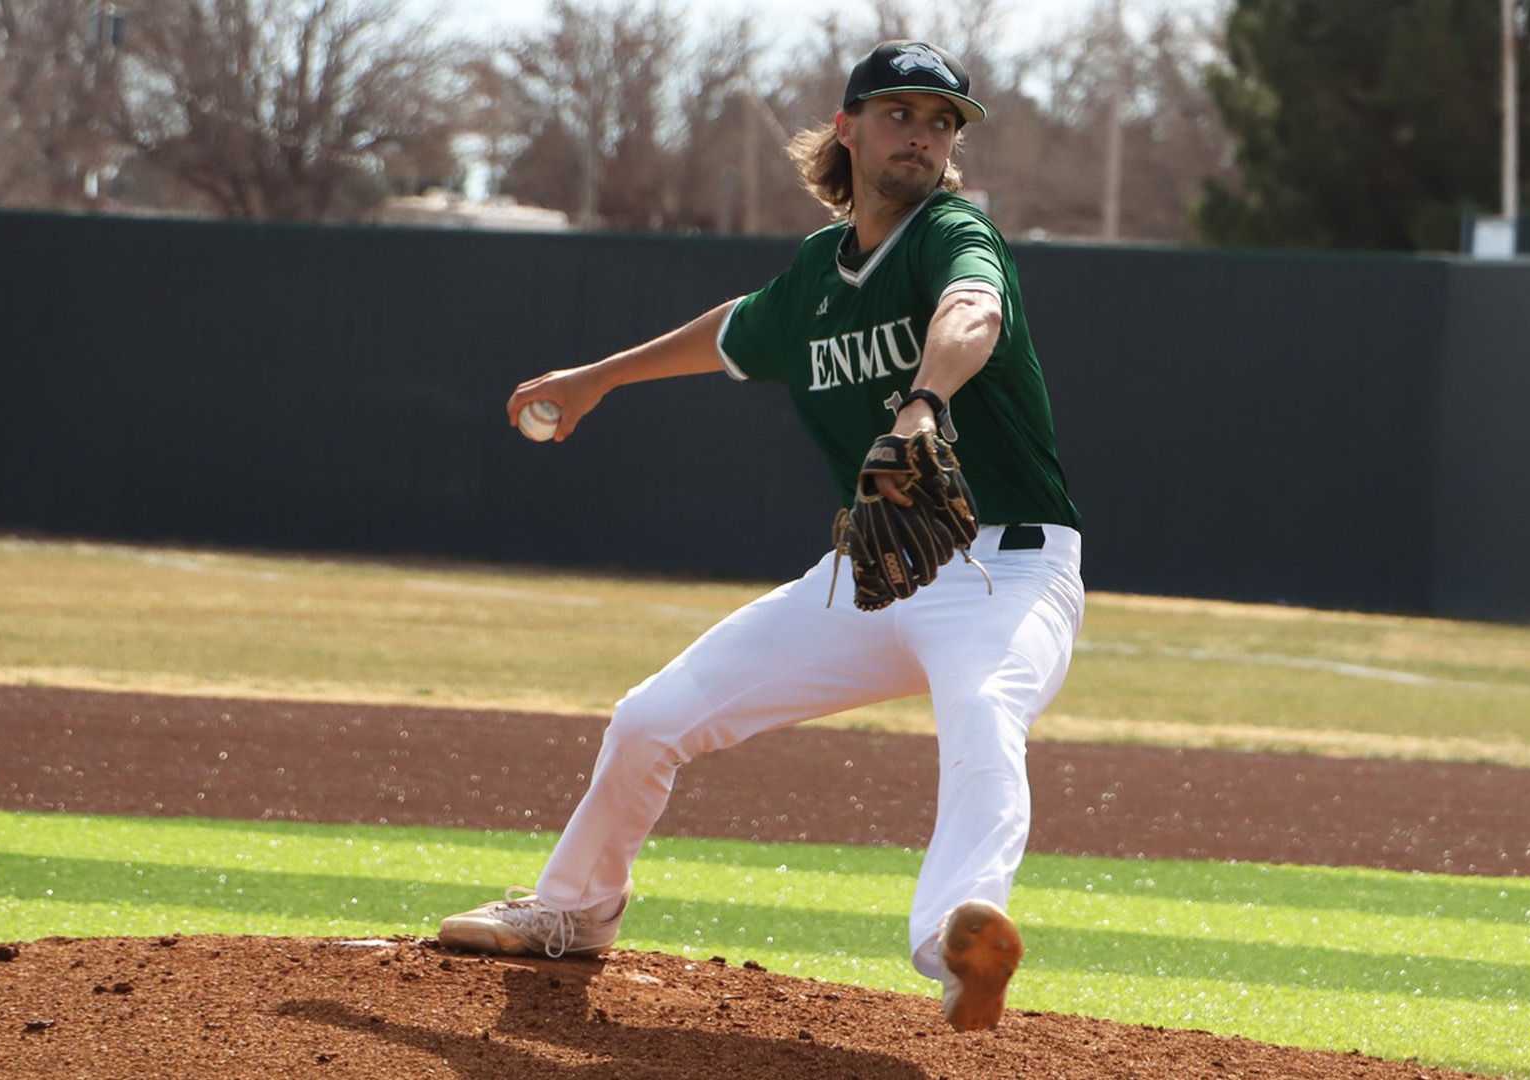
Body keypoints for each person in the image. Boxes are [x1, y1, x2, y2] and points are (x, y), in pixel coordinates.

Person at [437, 39, 1084, 1033]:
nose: (923, 135)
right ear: (848, 127)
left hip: (1006, 570)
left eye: (942, 121)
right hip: (871, 572)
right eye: (901, 113)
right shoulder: (820, 271)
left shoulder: (951, 234)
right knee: (650, 719)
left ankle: (957, 941)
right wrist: (598, 377)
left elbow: (973, 311)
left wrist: (923, 401)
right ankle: (574, 908)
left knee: (984, 710)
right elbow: (735, 329)